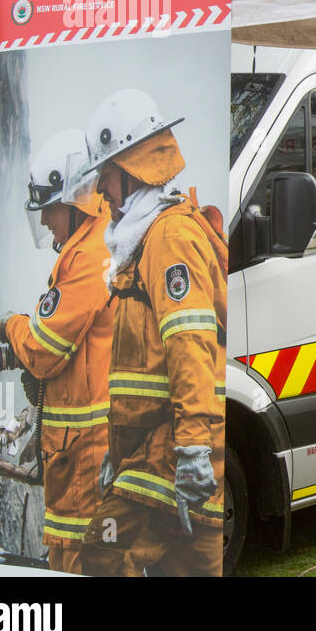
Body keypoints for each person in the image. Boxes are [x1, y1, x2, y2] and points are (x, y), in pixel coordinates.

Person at [77, 89, 227, 577]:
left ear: (133, 164)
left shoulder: (167, 237)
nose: (102, 189)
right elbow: (142, 366)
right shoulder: (145, 238)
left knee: (103, 550)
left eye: (107, 174)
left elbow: (190, 346)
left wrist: (192, 447)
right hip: (150, 451)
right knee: (190, 565)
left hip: (169, 450)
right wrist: (117, 455)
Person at [0, 129, 113, 574]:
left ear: (75, 199)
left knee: (82, 561)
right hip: (78, 450)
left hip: (86, 453)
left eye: (48, 209)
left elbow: (43, 350)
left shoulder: (90, 257)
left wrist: (11, 325)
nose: (44, 222)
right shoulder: (93, 245)